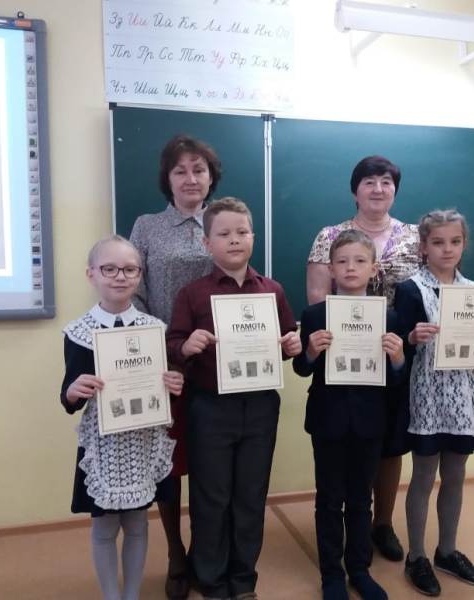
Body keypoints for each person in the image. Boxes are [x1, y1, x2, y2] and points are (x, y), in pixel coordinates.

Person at [167, 197, 302, 600]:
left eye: (242, 232)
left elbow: (286, 340)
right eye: (223, 233)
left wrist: (291, 344)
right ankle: (210, 579)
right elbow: (174, 342)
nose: (234, 240)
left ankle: (243, 579)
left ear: (253, 238)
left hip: (260, 406)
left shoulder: (272, 290)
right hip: (209, 407)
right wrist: (185, 345)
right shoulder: (193, 294)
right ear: (207, 243)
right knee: (211, 496)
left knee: (250, 496)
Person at [306, 155, 421, 562]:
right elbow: (318, 301)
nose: (378, 188)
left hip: (397, 351)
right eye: (369, 181)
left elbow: (429, 290)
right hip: (343, 361)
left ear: (395, 190)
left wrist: (402, 348)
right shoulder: (330, 236)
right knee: (345, 449)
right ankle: (342, 538)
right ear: (355, 189)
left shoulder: (415, 237)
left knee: (388, 443)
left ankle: (381, 524)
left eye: (386, 181)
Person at [60, 234, 184, 600]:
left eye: (130, 269)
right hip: (103, 444)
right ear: (91, 274)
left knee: (138, 523)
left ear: (140, 275)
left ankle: (131, 594)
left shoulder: (154, 328)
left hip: (142, 440)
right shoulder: (79, 332)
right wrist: (73, 391)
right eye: (109, 269)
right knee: (103, 528)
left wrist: (173, 382)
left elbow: (162, 384)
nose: (120, 276)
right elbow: (69, 394)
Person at [394, 209, 474, 597]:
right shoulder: (411, 289)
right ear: (423, 247)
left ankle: (447, 551)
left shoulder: (473, 291)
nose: (447, 249)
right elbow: (398, 346)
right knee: (424, 475)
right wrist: (411, 338)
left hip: (463, 396)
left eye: (455, 242)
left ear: (464, 245)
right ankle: (416, 556)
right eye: (438, 242)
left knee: (456, 474)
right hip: (426, 395)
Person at [129, 133, 222, 599]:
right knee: (169, 464)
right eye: (180, 170)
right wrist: (162, 351)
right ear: (167, 179)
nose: (190, 178)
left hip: (218, 365)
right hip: (165, 366)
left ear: (211, 177)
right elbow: (134, 293)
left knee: (209, 463)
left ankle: (206, 553)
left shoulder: (225, 223)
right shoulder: (147, 226)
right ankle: (175, 553)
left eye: (198, 169)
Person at [294, 230, 407, 600]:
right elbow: (302, 369)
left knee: (361, 500)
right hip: (328, 420)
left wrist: (397, 359)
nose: (350, 268)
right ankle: (331, 574)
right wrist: (311, 352)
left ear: (374, 268)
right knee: (328, 499)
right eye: (342, 261)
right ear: (330, 269)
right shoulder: (314, 315)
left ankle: (359, 569)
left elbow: (397, 378)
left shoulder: (388, 317)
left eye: (360, 261)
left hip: (370, 422)